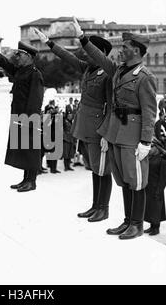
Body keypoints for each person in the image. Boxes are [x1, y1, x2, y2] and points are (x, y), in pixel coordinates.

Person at [74, 18, 157, 239]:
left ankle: (137, 224)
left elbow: (150, 112)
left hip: (133, 134)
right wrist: (83, 39)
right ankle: (127, 221)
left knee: (136, 180)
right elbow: (100, 58)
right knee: (124, 179)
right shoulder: (119, 71)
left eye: (125, 47)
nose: (121, 51)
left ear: (137, 51)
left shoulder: (145, 77)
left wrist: (146, 142)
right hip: (117, 131)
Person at [34, 26, 113, 222]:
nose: (87, 54)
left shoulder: (108, 74)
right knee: (94, 168)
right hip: (86, 126)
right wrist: (48, 42)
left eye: (92, 50)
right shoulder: (88, 68)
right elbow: (66, 56)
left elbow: (111, 107)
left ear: (101, 53)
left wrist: (107, 133)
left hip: (99, 128)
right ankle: (95, 206)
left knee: (103, 169)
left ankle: (104, 208)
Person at [0, 32, 44, 192]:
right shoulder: (22, 71)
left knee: (30, 149)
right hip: (19, 116)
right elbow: (4, 62)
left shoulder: (35, 74)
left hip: (29, 118)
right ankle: (25, 179)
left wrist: (28, 120)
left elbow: (35, 100)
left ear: (29, 56)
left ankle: (32, 181)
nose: (17, 57)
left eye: (20, 55)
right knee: (24, 149)